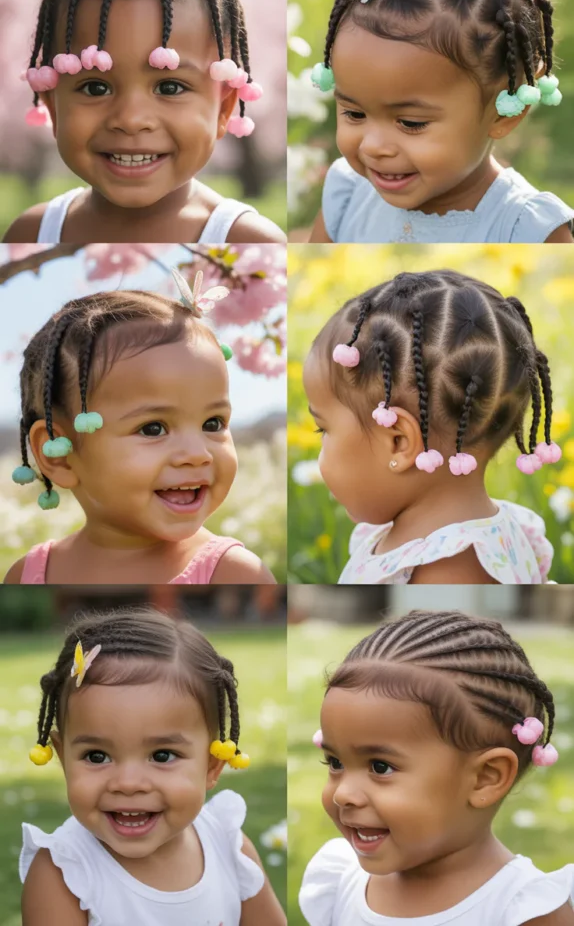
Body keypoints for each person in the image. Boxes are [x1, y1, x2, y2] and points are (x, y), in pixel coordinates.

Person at [300, 608, 574, 926]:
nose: (343, 794)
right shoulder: (341, 883)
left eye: (380, 767)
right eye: (335, 763)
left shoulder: (523, 911)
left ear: (486, 778)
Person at [4, 267, 277, 584]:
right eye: (153, 428)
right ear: (58, 454)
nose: (197, 454)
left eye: (213, 423)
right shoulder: (26, 575)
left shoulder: (235, 574)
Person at [4, 0, 285, 244]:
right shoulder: (30, 235)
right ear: (53, 107)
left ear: (224, 108)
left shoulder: (249, 241)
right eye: (95, 87)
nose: (131, 119)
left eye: (170, 87)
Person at [20, 606, 287, 926]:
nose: (129, 783)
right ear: (64, 759)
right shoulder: (64, 873)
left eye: (162, 756)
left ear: (212, 766)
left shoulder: (228, 846)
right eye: (96, 756)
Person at [308, 0, 574, 243]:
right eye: (354, 114)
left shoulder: (529, 231)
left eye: (410, 122)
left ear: (505, 112)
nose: (373, 147)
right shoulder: (347, 193)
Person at [303, 269, 560, 583]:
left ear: (398, 441)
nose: (321, 445)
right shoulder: (505, 530)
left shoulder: (449, 569)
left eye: (323, 429)